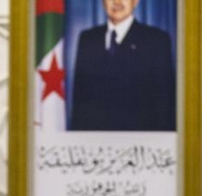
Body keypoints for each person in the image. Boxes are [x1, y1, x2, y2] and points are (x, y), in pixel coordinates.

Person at [70, 0, 176, 131]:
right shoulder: (88, 39)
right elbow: (80, 102)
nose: (117, 2)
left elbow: (165, 105)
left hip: (141, 142)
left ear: (135, 2)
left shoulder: (156, 41)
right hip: (96, 141)